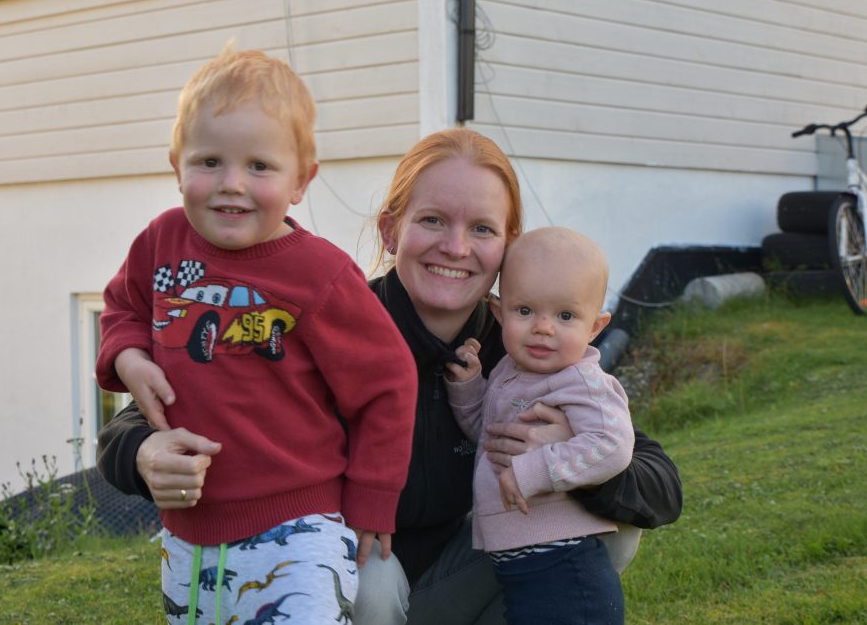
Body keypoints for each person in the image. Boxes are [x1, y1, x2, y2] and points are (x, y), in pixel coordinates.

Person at [98, 128, 683, 625]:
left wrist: (568, 459)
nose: (455, 247)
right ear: (389, 231)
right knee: (372, 579)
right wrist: (145, 450)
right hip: (361, 574)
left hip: (470, 559)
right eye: (432, 220)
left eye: (481, 229)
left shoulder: (525, 343)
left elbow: (659, 481)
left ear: (508, 247)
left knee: (614, 526)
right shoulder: (330, 316)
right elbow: (135, 420)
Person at [95, 46, 418, 625]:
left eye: (260, 167)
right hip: (188, 527)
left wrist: (373, 502)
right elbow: (122, 306)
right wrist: (129, 358)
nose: (232, 185)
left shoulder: (319, 273)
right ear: (177, 166)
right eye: (209, 161)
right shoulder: (160, 242)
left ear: (301, 180)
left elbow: (387, 383)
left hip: (298, 529)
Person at [444, 227, 634, 624]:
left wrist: (534, 470)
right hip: (524, 564)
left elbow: (612, 444)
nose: (543, 328)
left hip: (564, 564)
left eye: (565, 316)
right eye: (525, 311)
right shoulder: (510, 371)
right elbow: (490, 438)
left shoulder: (582, 382)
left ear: (595, 326)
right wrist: (468, 388)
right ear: (499, 313)